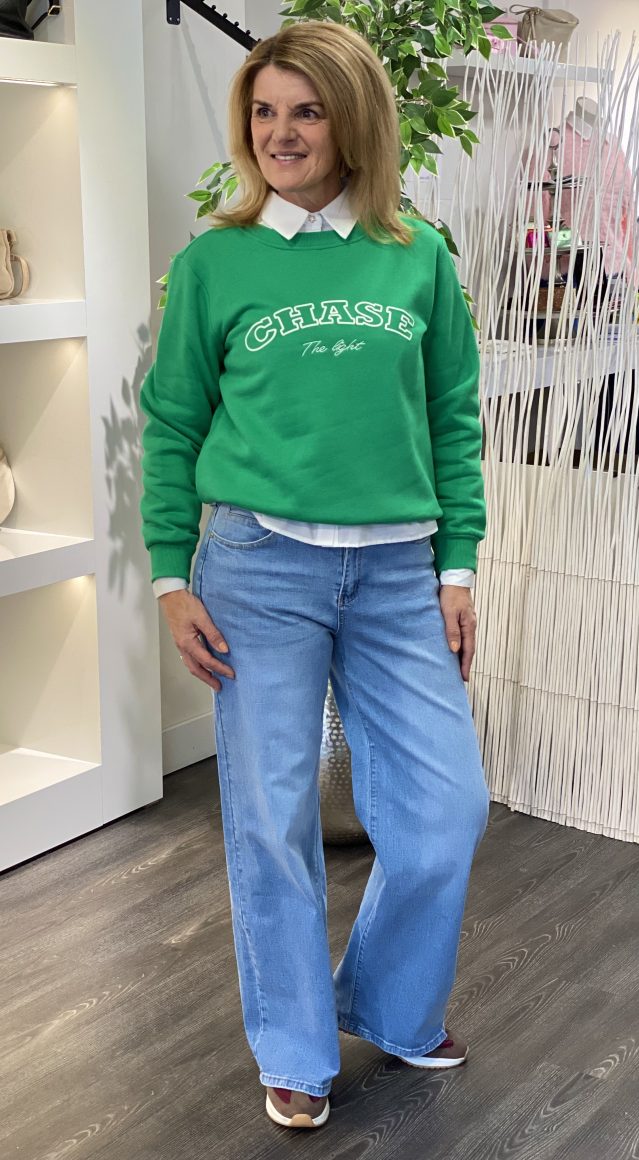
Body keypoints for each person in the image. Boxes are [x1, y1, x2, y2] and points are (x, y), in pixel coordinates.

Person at [139, 19, 490, 1132]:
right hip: (256, 568)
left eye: (306, 110)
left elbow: (452, 418)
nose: (279, 133)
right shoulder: (215, 263)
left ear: (353, 122)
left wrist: (456, 564)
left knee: (445, 811)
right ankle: (293, 1048)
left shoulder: (414, 253)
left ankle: (386, 1001)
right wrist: (168, 577)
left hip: (394, 573)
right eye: (262, 111)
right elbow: (171, 423)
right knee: (270, 820)